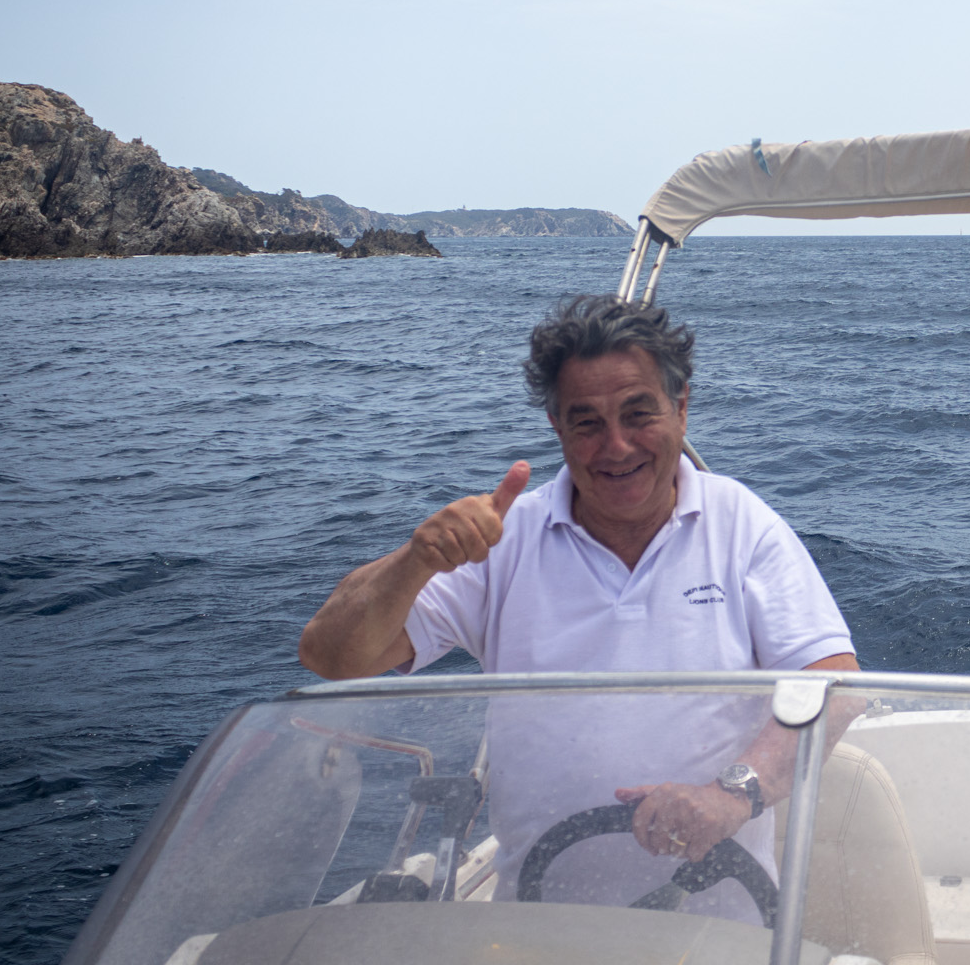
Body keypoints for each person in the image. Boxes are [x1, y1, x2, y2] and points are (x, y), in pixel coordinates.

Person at [298, 294, 858, 920]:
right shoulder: (505, 539)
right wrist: (415, 560)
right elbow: (331, 657)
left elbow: (834, 686)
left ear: (681, 407)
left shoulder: (743, 525)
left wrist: (732, 796)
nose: (616, 446)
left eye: (638, 414)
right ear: (556, 427)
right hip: (537, 923)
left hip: (720, 924)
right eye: (586, 422)